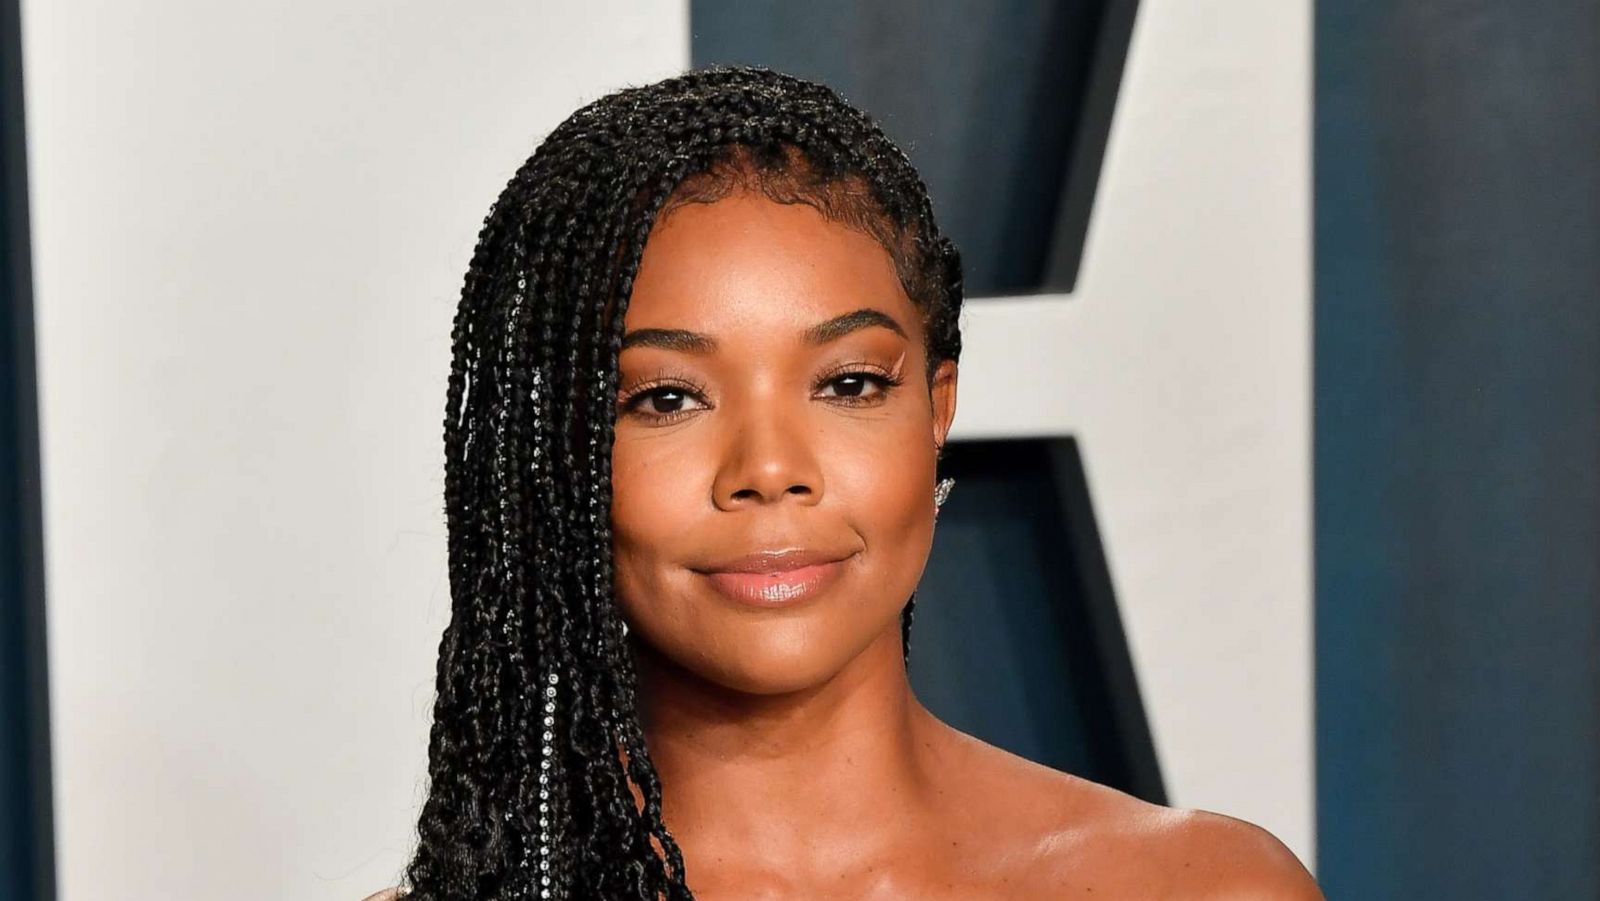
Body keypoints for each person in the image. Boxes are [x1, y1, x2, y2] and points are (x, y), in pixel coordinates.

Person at [366, 64, 1324, 900]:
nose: (770, 471)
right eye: (666, 398)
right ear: (559, 449)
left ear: (937, 409)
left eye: (849, 383)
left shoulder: (1209, 889)